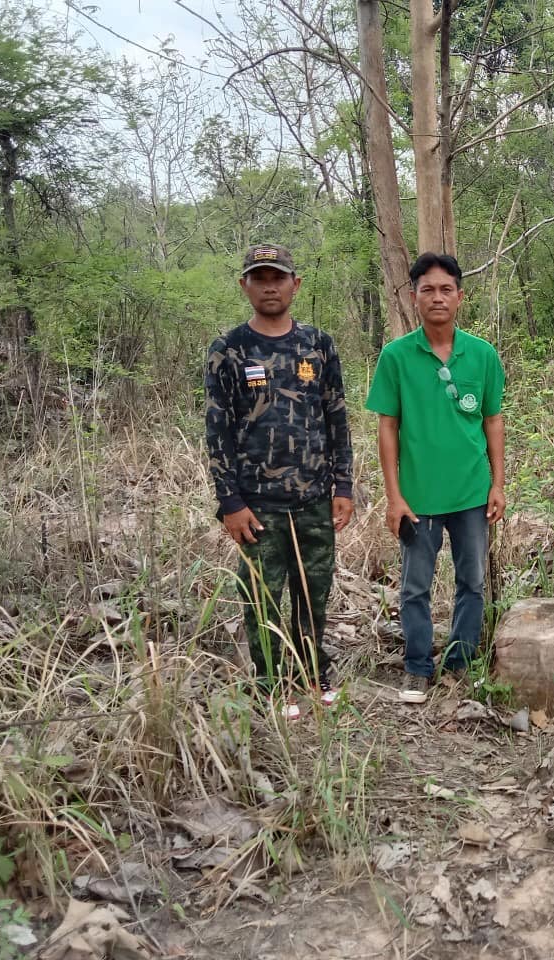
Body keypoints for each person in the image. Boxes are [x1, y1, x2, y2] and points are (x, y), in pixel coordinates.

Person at [205, 244, 355, 720]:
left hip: (313, 498)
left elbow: (336, 418)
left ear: (296, 284)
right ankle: (271, 681)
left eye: (278, 276)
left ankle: (312, 672)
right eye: (259, 277)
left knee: (314, 592)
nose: (270, 285)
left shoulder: (318, 344)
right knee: (263, 597)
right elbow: (217, 429)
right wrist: (229, 501)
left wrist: (344, 486)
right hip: (257, 504)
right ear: (244, 285)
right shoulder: (228, 349)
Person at [366, 252, 506, 704]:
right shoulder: (397, 357)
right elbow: (387, 426)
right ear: (414, 297)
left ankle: (461, 662)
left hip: (471, 493)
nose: (437, 297)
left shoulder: (482, 355)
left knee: (472, 581)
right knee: (415, 587)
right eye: (428, 289)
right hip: (419, 497)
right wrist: (394, 496)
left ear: (460, 297)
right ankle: (417, 666)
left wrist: (498, 484)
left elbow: (492, 421)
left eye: (446, 289)